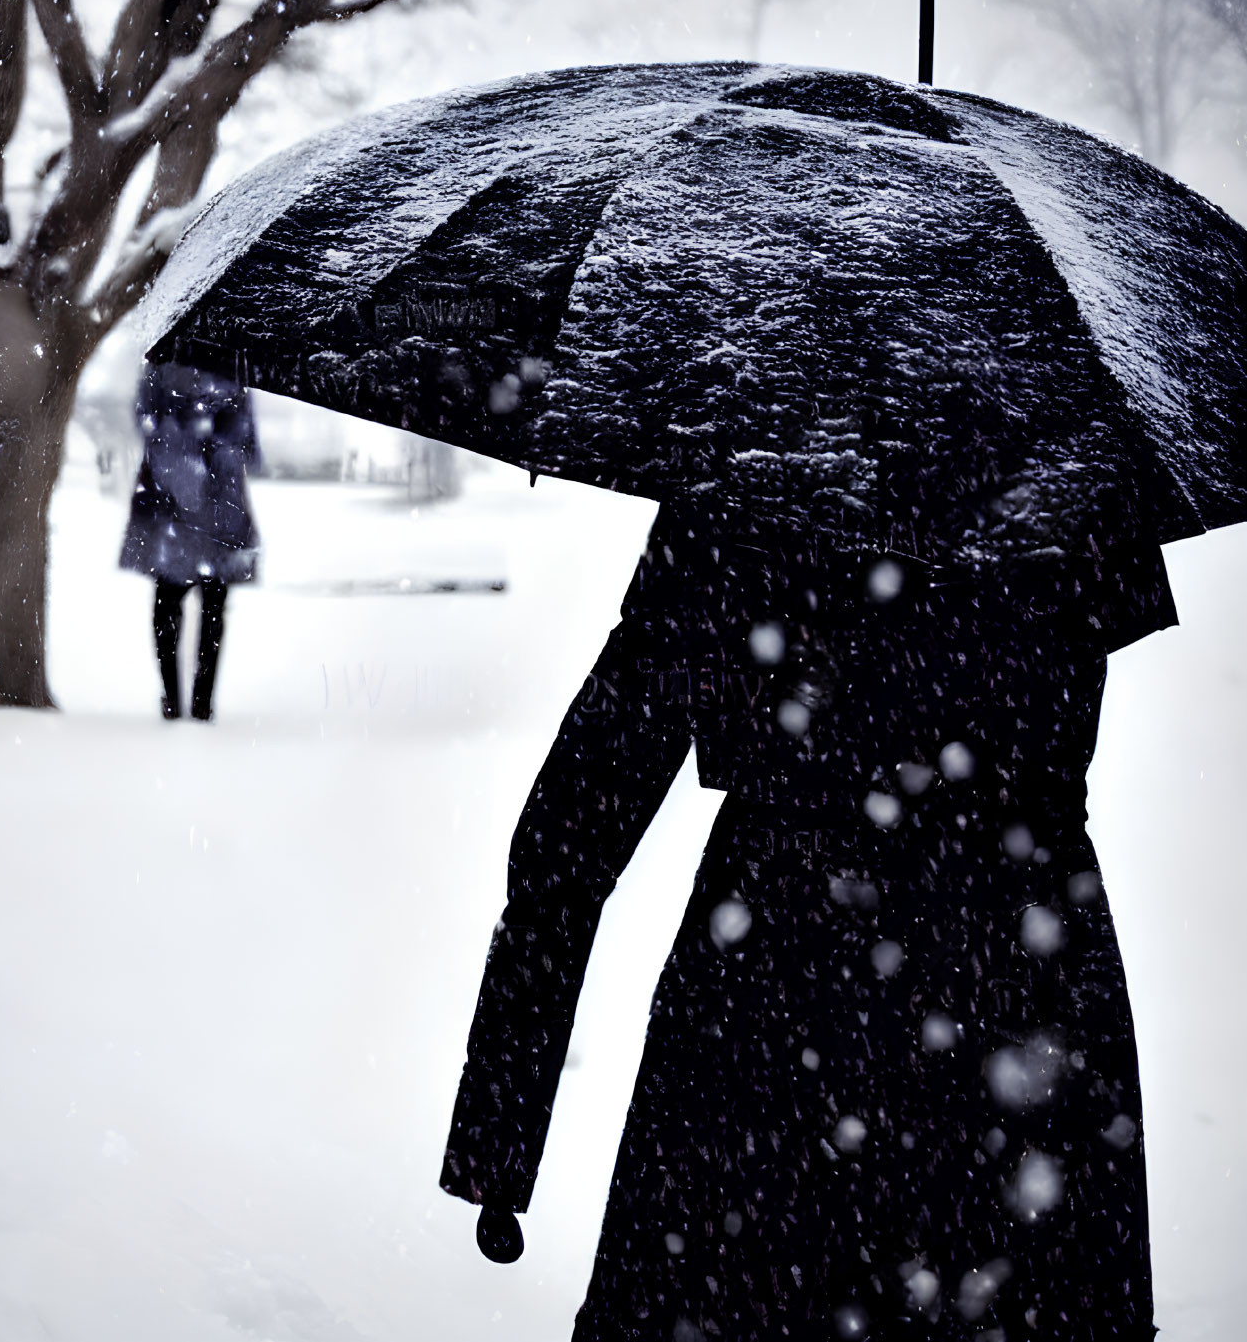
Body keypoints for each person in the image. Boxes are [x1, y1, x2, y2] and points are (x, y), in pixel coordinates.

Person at [441, 503, 1173, 1342]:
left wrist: (501, 1127)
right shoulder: (1062, 456)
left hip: (779, 977)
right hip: (1011, 975)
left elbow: (582, 811)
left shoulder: (754, 460)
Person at [120, 359, 261, 721]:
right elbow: (244, 442)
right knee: (192, 605)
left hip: (198, 507)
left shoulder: (204, 366)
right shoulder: (228, 364)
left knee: (185, 605)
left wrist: (195, 445)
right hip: (196, 507)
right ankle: (192, 701)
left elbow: (147, 421)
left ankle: (186, 701)